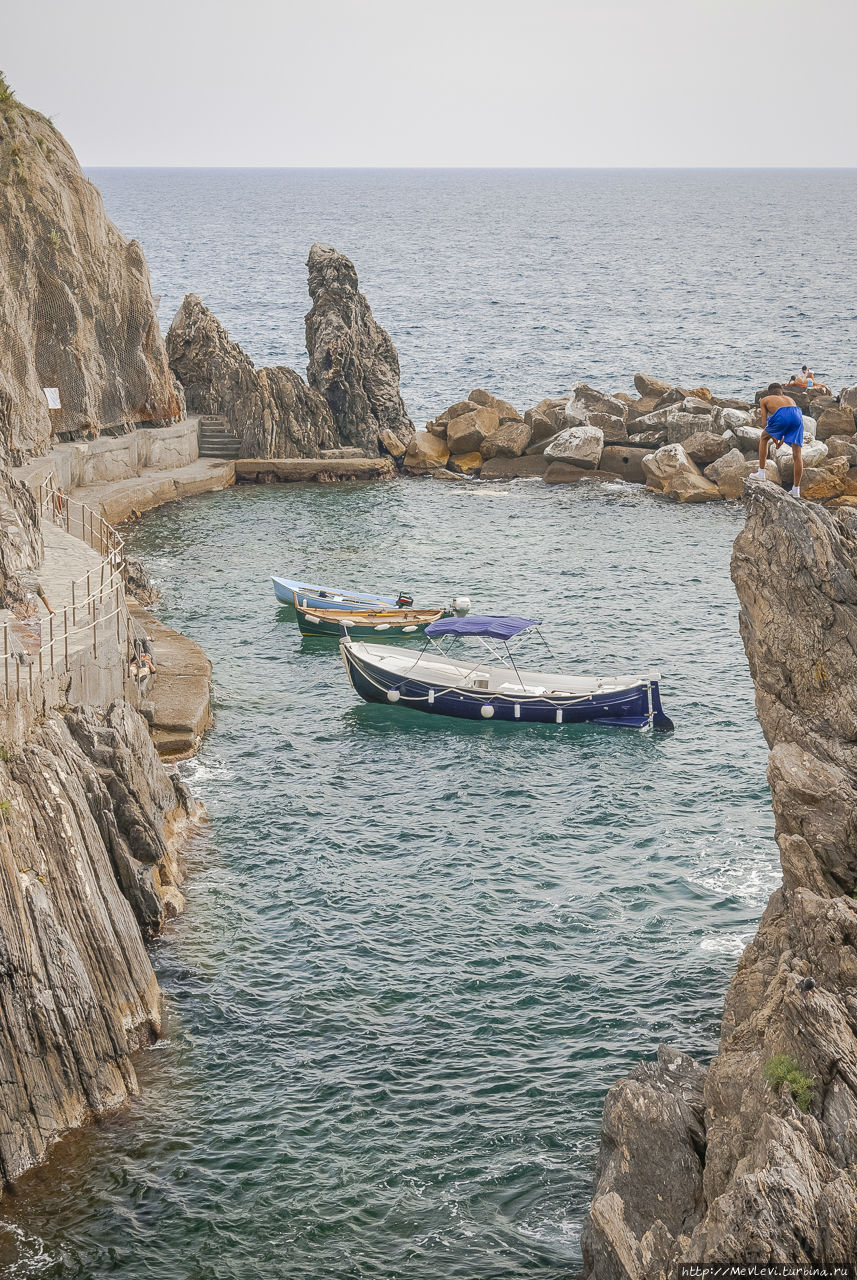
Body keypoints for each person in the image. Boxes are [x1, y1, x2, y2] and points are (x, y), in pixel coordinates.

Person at [751, 383, 803, 497]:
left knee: (764, 437)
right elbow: (788, 420)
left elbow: (765, 423)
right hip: (797, 414)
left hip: (783, 416)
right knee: (797, 454)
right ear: (782, 393)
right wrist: (778, 437)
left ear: (769, 393)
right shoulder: (790, 399)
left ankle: (761, 472)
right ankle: (796, 490)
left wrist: (774, 436)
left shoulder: (765, 399)